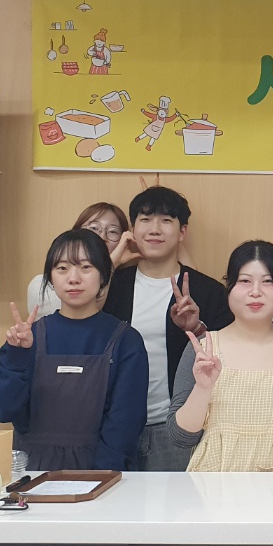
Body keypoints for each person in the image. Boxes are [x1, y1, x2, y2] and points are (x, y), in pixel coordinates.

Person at [0, 229, 147, 470]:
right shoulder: (28, 337)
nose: (73, 278)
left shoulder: (126, 341)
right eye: (62, 268)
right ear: (50, 278)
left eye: (86, 267)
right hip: (32, 472)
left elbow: (125, 425)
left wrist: (98, 479)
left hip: (101, 473)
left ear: (104, 275)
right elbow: (0, 410)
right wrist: (16, 354)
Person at [102, 186, 233, 470]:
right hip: (114, 426)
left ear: (182, 232)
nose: (154, 229)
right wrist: (109, 267)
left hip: (177, 428)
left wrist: (197, 328)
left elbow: (230, 359)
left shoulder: (208, 291)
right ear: (132, 229)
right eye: (145, 219)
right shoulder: (111, 288)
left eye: (166, 220)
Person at [166, 240, 273, 471]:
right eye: (244, 281)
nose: (255, 292)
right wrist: (202, 388)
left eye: (267, 281)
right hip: (212, 485)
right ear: (229, 286)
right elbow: (180, 437)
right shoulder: (202, 349)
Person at [26, 201, 132, 316]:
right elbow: (75, 319)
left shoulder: (125, 285)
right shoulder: (41, 284)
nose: (102, 237)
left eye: (113, 231)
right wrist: (111, 264)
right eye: (94, 228)